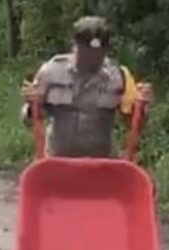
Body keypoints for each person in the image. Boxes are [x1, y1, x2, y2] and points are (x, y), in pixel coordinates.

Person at [21, 16, 152, 158]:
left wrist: (141, 106)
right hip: (58, 163)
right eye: (86, 54)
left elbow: (134, 124)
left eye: (97, 56)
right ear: (74, 46)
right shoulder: (51, 72)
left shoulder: (119, 77)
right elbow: (31, 120)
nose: (91, 60)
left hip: (101, 164)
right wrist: (31, 104)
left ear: (105, 51)